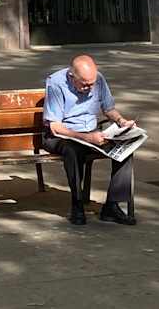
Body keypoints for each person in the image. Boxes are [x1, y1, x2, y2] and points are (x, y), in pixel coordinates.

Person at [42, 53, 137, 227]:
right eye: (84, 84)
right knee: (72, 150)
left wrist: (122, 122)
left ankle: (112, 205)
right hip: (63, 135)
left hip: (91, 133)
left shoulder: (98, 79)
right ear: (72, 76)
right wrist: (86, 137)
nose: (89, 88)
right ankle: (77, 204)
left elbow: (109, 109)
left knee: (126, 149)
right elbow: (55, 126)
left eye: (91, 84)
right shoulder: (56, 83)